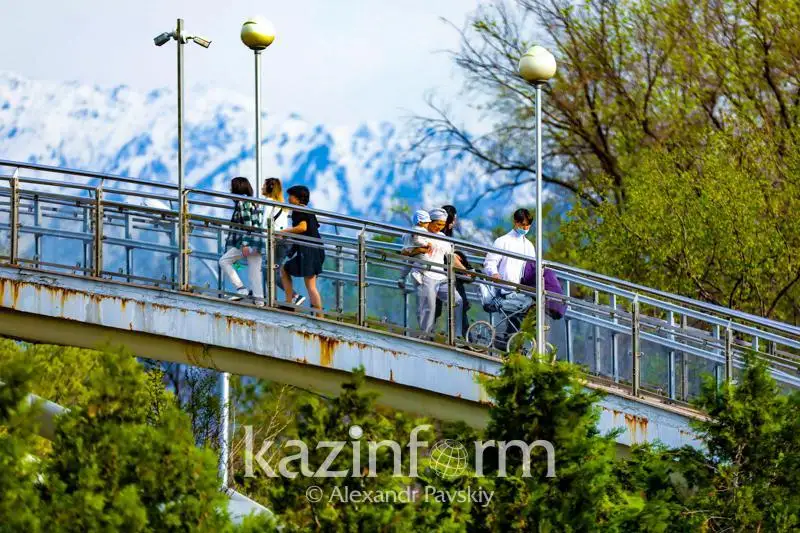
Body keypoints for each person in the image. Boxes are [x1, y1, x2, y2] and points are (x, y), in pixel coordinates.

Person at [483, 208, 537, 344]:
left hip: (522, 290)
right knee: (515, 317)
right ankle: (507, 343)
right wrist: (494, 274)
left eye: (528, 225)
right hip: (505, 289)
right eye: (522, 225)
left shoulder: (529, 246)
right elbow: (490, 262)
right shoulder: (502, 241)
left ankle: (510, 343)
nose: (525, 228)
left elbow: (532, 268)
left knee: (526, 316)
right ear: (515, 222)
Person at [415, 208, 465, 338]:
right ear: (429, 221)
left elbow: (451, 257)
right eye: (437, 224)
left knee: (457, 301)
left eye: (442, 225)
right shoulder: (420, 234)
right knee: (429, 307)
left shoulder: (443, 238)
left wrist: (466, 271)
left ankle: (456, 334)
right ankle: (425, 335)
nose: (439, 228)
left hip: (440, 276)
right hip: (426, 275)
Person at [219, 177, 264, 305]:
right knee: (255, 274)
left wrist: (245, 244)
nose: (230, 190)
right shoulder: (252, 202)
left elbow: (247, 225)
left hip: (247, 242)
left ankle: (241, 289)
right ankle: (260, 303)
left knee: (224, 261)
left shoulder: (242, 202)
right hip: (257, 242)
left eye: (232, 187)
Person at [280, 185, 325, 313]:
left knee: (311, 286)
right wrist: (291, 251)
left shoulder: (299, 211)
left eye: (291, 196)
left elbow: (302, 228)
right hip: (314, 251)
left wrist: (284, 231)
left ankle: (319, 315)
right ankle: (289, 303)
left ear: (298, 198)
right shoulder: (307, 211)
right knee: (285, 269)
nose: (288, 198)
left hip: (309, 252)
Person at [433, 204, 470, 332]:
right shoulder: (441, 235)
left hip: (442, 274)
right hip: (440, 274)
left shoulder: (440, 233)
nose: (455, 222)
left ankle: (428, 332)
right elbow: (450, 257)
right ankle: (462, 336)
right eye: (454, 219)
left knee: (437, 307)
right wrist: (467, 271)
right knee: (459, 302)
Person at [262, 178, 291, 292]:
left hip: (273, 242)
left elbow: (264, 225)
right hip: (282, 241)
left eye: (264, 185)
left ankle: (293, 296)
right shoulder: (282, 205)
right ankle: (267, 298)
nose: (262, 187)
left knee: (268, 272)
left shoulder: (268, 202)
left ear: (269, 188)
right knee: (272, 271)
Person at [398, 209, 431, 288]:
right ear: (420, 222)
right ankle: (417, 273)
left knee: (407, 266)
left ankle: (402, 279)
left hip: (408, 250)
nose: (428, 224)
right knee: (427, 264)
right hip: (417, 251)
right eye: (427, 222)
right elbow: (417, 240)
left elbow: (404, 237)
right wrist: (426, 244)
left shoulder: (411, 229)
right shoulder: (421, 230)